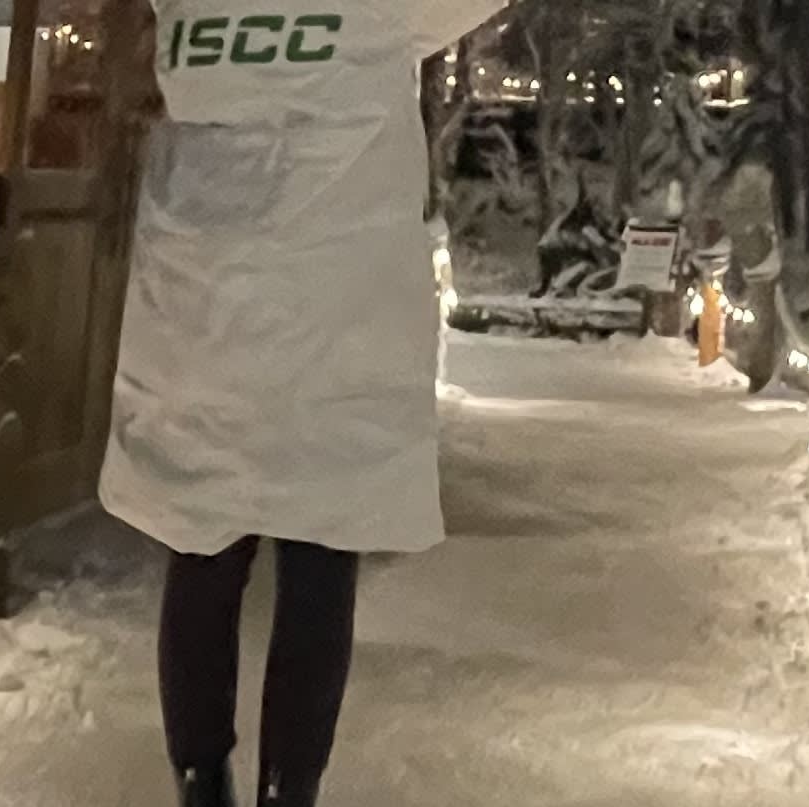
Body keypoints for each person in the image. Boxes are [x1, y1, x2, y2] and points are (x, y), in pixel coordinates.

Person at [101, 2, 505, 805]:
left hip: (204, 324)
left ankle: (200, 781)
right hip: (332, 333)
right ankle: (290, 789)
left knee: (203, 550)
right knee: (320, 561)